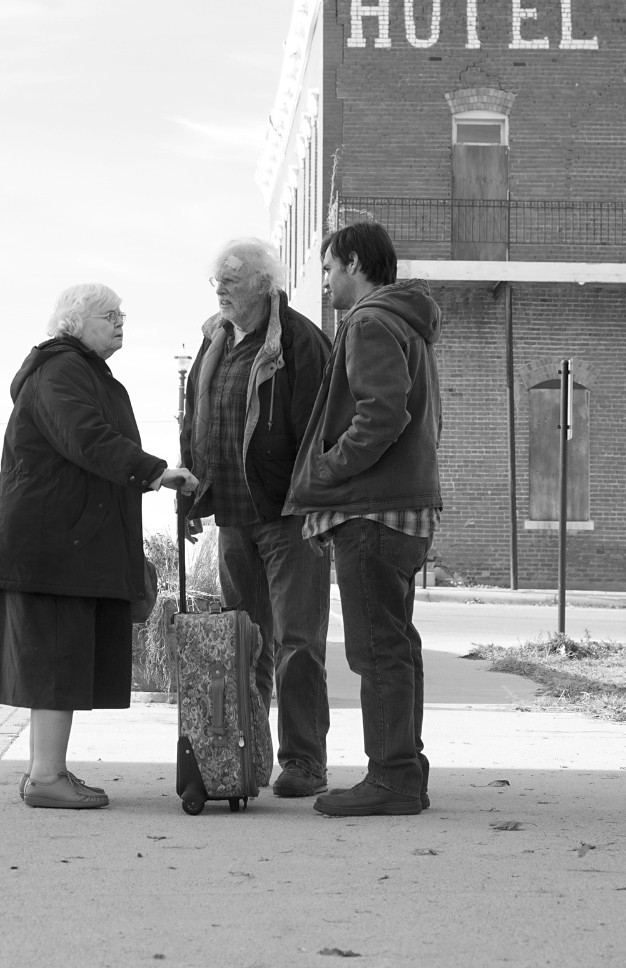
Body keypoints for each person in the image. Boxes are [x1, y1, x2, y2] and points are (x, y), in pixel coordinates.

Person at [0, 283, 197, 809]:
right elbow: (87, 438)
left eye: (122, 314)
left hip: (62, 544)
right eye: (108, 315)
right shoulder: (61, 371)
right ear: (75, 323)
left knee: (61, 662)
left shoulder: (79, 370)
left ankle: (46, 772)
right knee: (56, 663)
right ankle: (46, 777)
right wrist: (156, 473)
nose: (120, 322)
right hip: (54, 547)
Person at [284, 221, 443, 817]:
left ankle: (393, 778)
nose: (324, 282)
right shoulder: (408, 323)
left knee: (376, 650)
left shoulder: (371, 322)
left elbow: (382, 414)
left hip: (373, 511)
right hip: (403, 509)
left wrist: (326, 470)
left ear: (353, 262)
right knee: (396, 646)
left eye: (328, 269)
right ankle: (405, 771)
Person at [179, 239, 333, 797]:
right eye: (216, 280)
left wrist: (313, 502)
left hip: (290, 518)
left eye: (232, 280)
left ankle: (304, 762)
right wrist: (192, 497)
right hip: (234, 520)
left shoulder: (298, 341)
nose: (220, 289)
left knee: (297, 641)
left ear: (265, 285)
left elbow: (321, 430)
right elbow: (196, 418)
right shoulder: (214, 339)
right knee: (245, 642)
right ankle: (242, 755)